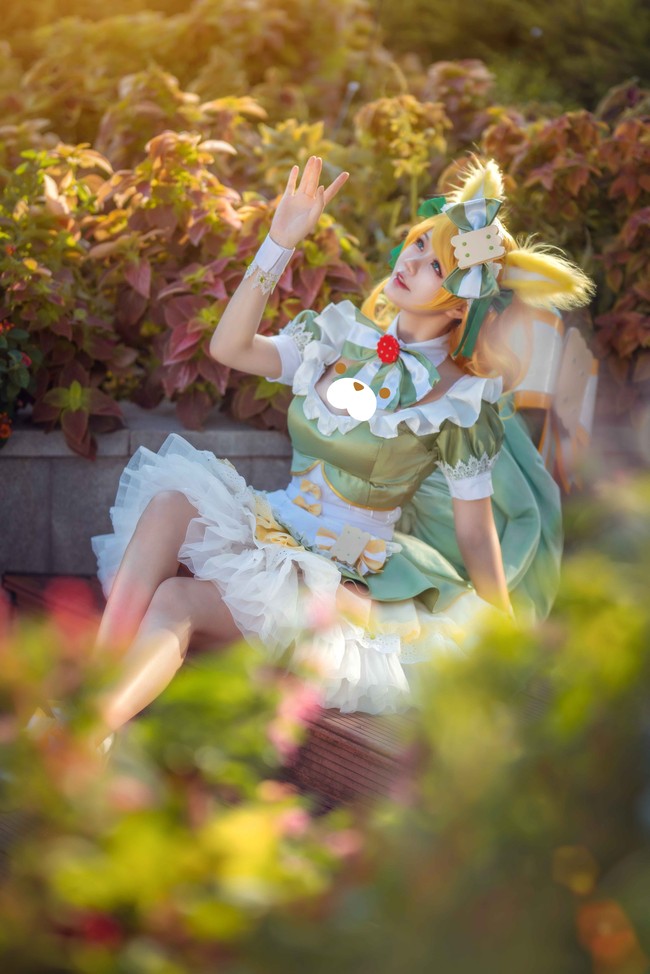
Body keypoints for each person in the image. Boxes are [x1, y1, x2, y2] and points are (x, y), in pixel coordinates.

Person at [31, 155, 595, 755]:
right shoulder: (341, 337)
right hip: (277, 526)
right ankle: (85, 705)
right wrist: (279, 241)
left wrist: (504, 639)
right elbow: (229, 348)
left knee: (175, 600)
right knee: (170, 501)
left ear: (461, 305)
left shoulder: (459, 402)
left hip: (343, 575)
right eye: (417, 244)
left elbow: (476, 535)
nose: (410, 262)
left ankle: (80, 737)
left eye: (436, 265)